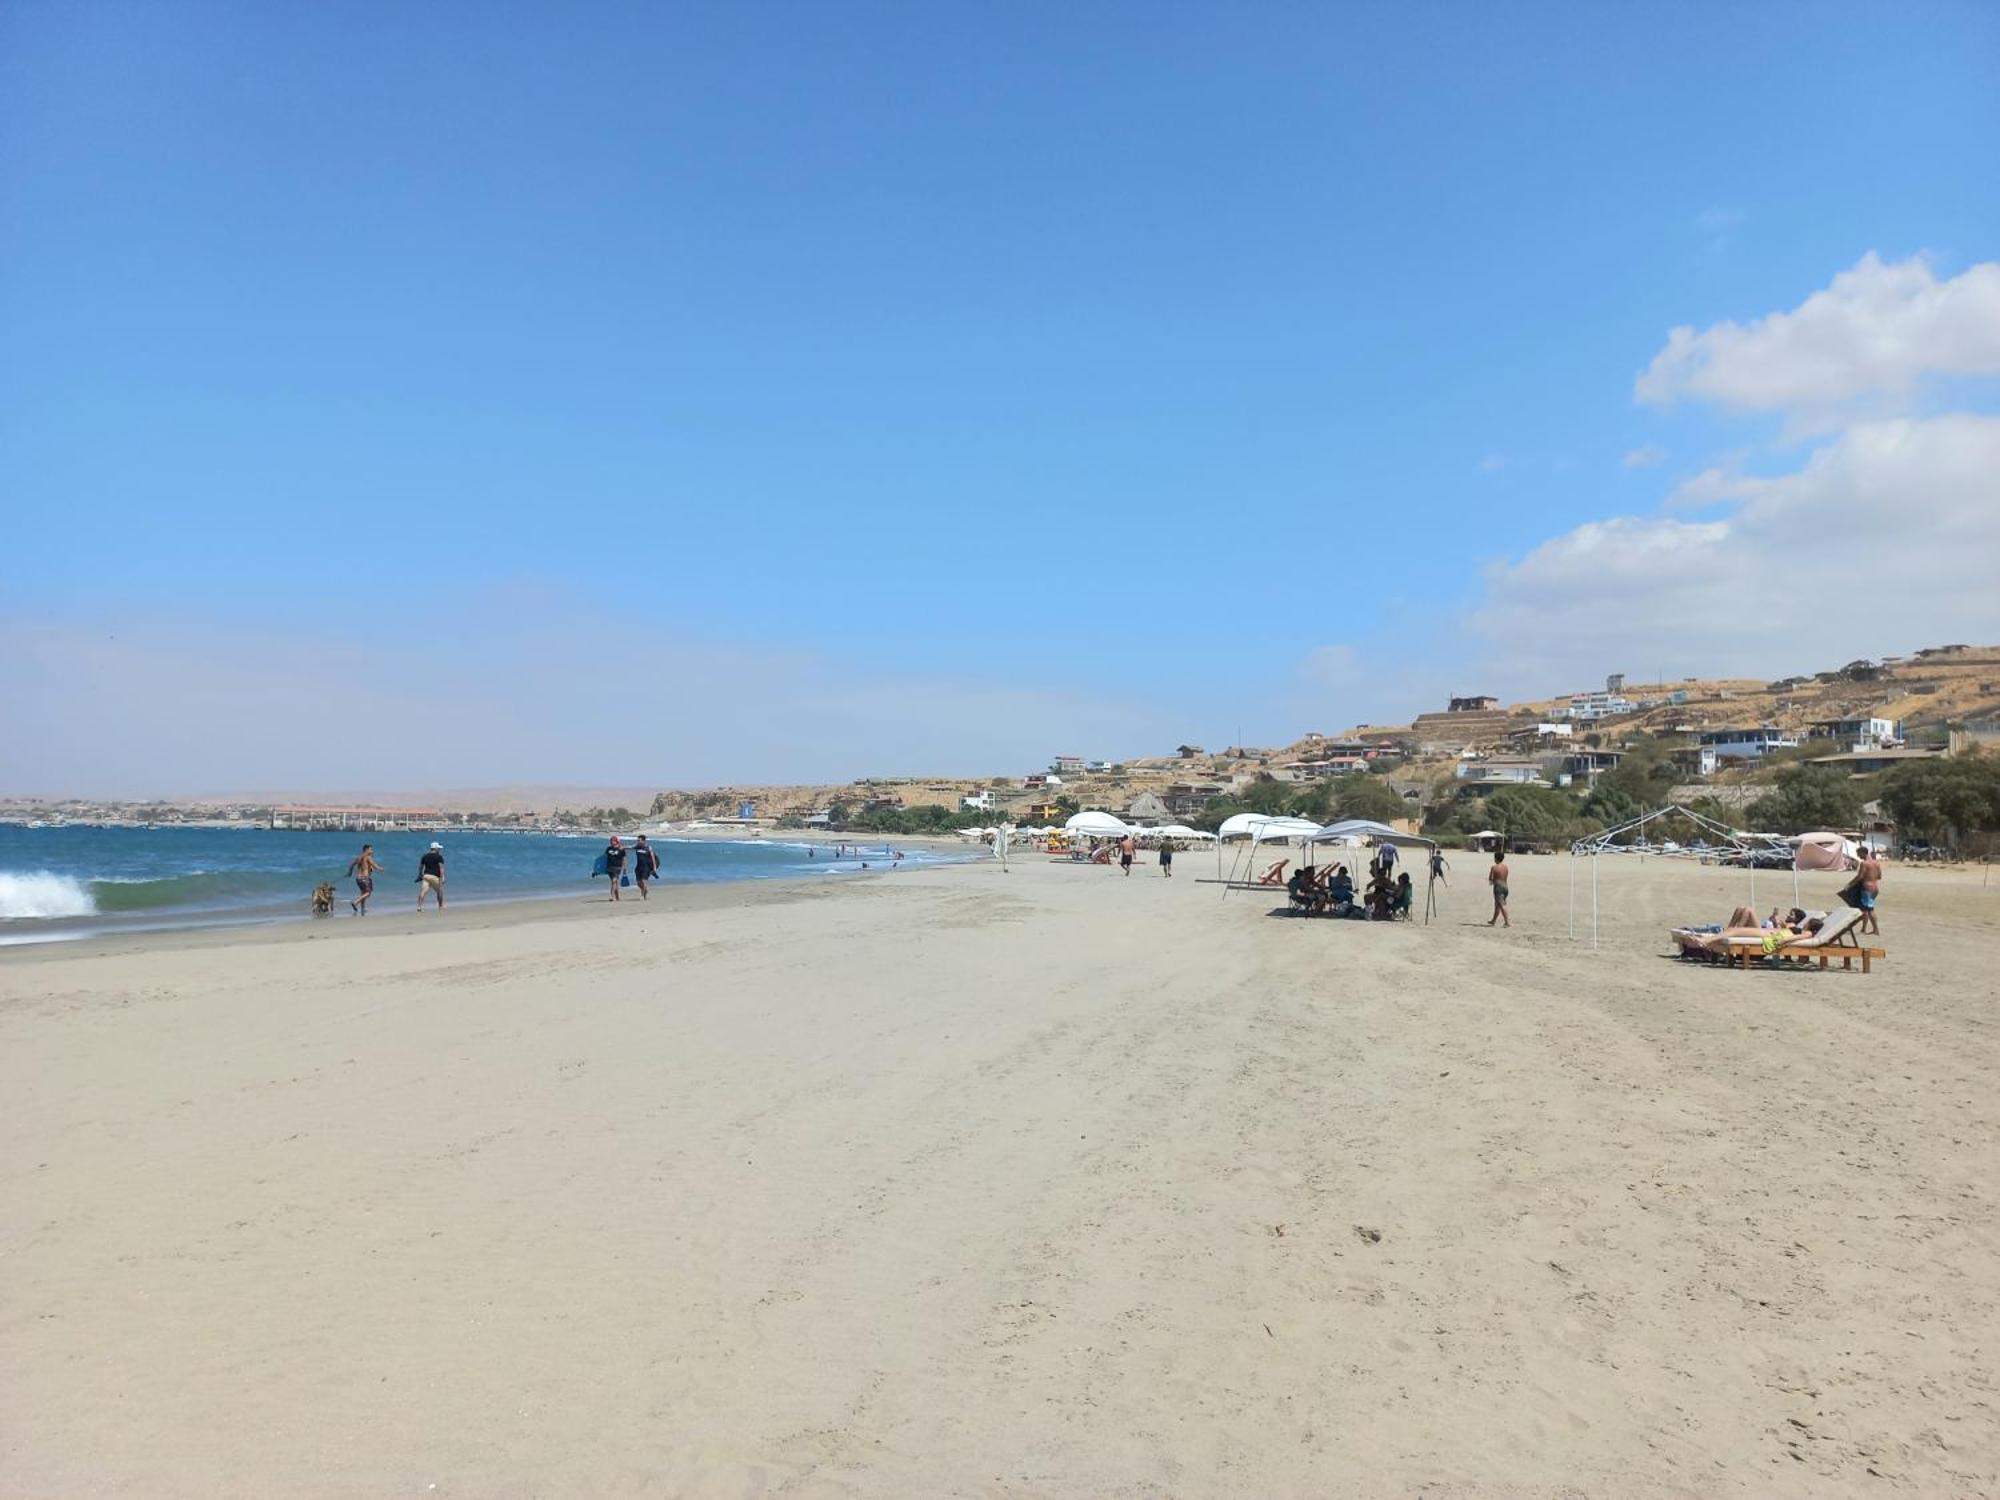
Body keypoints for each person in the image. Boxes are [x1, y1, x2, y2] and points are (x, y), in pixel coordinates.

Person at [347, 842, 384, 914]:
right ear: (366, 850)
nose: (372, 851)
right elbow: (375, 865)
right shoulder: (368, 857)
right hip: (365, 878)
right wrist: (381, 869)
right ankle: (355, 902)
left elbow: (351, 865)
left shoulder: (359, 857)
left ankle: (362, 909)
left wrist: (350, 873)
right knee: (368, 893)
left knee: (363, 893)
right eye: (371, 850)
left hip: (358, 879)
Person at [1856, 844, 1882, 935]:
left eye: (1859, 854)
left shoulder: (1864, 863)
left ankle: (1876, 930)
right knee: (1866, 909)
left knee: (1869, 909)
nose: (1858, 856)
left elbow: (1860, 876)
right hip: (1875, 888)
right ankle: (1863, 929)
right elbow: (1879, 876)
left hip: (1867, 889)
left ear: (1864, 853)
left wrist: (1850, 884)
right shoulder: (1877, 863)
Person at [416, 841, 446, 911]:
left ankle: (419, 907)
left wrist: (420, 875)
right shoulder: (439, 857)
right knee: (440, 891)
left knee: (423, 891)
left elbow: (420, 867)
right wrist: (443, 877)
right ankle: (440, 906)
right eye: (438, 848)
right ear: (435, 848)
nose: (439, 850)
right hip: (435, 877)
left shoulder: (425, 856)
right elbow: (441, 869)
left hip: (426, 876)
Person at [1486, 847, 1509, 928]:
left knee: (1501, 905)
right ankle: (1493, 920)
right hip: (1505, 886)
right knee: (1497, 905)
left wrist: (1491, 881)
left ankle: (1507, 922)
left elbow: (1491, 879)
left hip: (1498, 887)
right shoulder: (1505, 867)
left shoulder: (1494, 867)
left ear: (1496, 858)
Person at [632, 835, 658, 899]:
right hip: (638, 867)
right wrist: (621, 847)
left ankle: (643, 896)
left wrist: (654, 868)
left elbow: (653, 858)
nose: (638, 841)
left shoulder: (648, 848)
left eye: (639, 840)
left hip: (646, 867)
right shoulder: (637, 847)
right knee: (638, 883)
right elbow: (630, 847)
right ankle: (645, 890)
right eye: (637, 840)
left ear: (643, 841)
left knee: (643, 881)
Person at [603, 835, 627, 902]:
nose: (611, 841)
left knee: (614, 881)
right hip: (609, 867)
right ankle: (617, 897)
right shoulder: (608, 849)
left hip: (618, 867)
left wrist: (625, 869)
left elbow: (624, 859)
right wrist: (599, 870)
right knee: (615, 883)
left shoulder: (621, 849)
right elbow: (603, 858)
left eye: (613, 840)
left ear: (617, 841)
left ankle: (612, 897)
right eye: (611, 840)